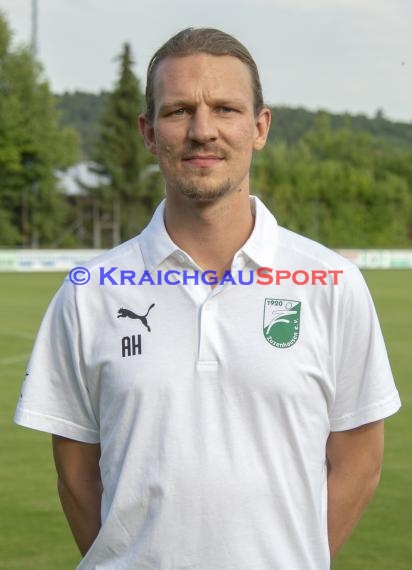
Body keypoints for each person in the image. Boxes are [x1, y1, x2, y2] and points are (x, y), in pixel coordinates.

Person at [15, 27, 401, 570]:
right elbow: (76, 475)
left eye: (225, 108)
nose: (202, 131)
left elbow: (359, 464)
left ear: (259, 127)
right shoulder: (89, 294)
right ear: (149, 133)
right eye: (178, 111)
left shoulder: (333, 284)